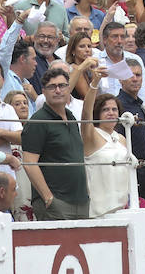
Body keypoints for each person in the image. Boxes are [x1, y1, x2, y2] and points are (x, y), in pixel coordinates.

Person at [22, 65, 88, 219]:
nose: (58, 90)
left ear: (68, 88)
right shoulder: (38, 121)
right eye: (52, 87)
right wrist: (48, 198)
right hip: (55, 203)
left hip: (81, 201)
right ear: (43, 92)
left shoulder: (71, 117)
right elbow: (29, 163)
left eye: (62, 86)